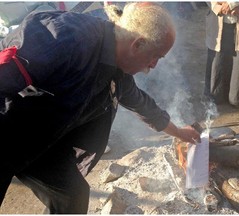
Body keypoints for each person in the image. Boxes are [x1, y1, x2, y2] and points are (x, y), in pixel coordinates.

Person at [0, 2, 200, 213]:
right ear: (138, 44)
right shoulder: (64, 38)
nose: (154, 65)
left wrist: (179, 132)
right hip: (6, 134)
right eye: (156, 56)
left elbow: (141, 104)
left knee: (73, 195)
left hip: (44, 142)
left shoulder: (118, 68)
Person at [204, 2, 239, 107]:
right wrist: (217, 6)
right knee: (216, 96)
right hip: (218, 21)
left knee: (236, 99)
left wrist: (233, 4)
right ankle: (218, 93)